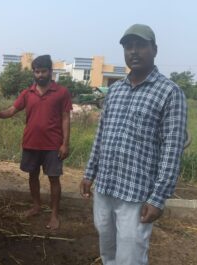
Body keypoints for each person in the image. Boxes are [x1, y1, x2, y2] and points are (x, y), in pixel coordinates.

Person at [80, 24, 187, 265]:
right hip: (105, 189)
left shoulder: (170, 93)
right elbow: (101, 135)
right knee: (108, 253)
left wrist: (158, 198)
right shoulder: (115, 90)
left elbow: (172, 150)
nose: (134, 52)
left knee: (130, 258)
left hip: (136, 195)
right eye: (128, 46)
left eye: (141, 45)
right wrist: (89, 174)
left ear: (155, 50)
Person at [0, 55, 72, 230]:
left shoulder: (61, 92)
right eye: (37, 72)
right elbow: (12, 110)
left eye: (43, 71)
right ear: (34, 73)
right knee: (32, 176)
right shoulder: (27, 93)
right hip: (31, 143)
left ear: (50, 72)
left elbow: (66, 118)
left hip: (53, 145)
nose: (40, 75)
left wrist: (65, 144)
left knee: (54, 179)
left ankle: (54, 215)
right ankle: (36, 206)